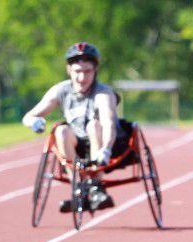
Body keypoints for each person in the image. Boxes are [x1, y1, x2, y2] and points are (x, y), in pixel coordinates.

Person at [22, 42, 122, 212]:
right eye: (77, 72)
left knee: (94, 125)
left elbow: (109, 122)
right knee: (61, 130)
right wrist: (34, 122)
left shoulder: (103, 93)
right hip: (75, 143)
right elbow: (29, 116)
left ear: (95, 70)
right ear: (69, 70)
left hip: (104, 142)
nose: (82, 78)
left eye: (87, 72)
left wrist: (106, 149)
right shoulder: (61, 90)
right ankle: (79, 188)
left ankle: (96, 186)